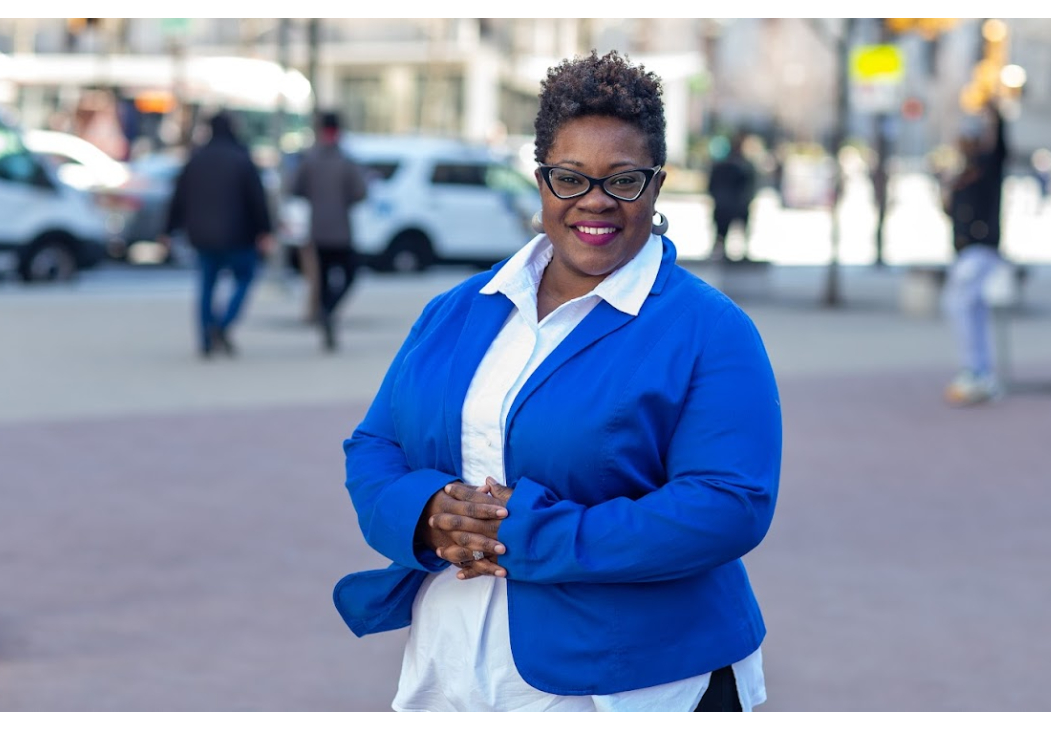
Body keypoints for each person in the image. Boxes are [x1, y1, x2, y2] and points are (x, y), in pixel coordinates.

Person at [334, 50, 782, 712]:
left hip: (634, 684)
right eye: (570, 178)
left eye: (623, 180)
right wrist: (426, 514)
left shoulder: (708, 330)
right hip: (454, 670)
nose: (595, 202)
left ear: (656, 186)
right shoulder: (461, 309)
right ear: (541, 180)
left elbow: (728, 504)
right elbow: (374, 446)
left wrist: (522, 534)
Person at [162, 111, 274, 358]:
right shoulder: (241, 158)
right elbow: (257, 198)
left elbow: (179, 196)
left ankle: (205, 338)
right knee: (244, 278)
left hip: (202, 236)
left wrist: (168, 230)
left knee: (206, 285)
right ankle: (223, 325)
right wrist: (265, 231)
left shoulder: (196, 159)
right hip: (239, 235)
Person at [941, 102, 1009, 405]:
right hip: (966, 250)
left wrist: (994, 112)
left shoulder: (986, 167)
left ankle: (976, 370)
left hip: (980, 249)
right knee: (970, 309)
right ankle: (978, 370)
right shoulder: (962, 173)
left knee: (961, 303)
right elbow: (950, 211)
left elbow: (1000, 149)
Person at [289, 110, 368, 352]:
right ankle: (329, 312)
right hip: (342, 231)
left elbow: (295, 188)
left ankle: (326, 314)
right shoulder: (346, 160)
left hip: (318, 231)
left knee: (322, 280)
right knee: (351, 274)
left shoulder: (309, 160)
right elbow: (360, 192)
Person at [706, 133, 758, 262]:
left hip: (731, 204)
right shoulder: (739, 165)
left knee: (728, 230)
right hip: (731, 204)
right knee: (723, 230)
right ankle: (722, 249)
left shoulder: (728, 164)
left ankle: (730, 249)